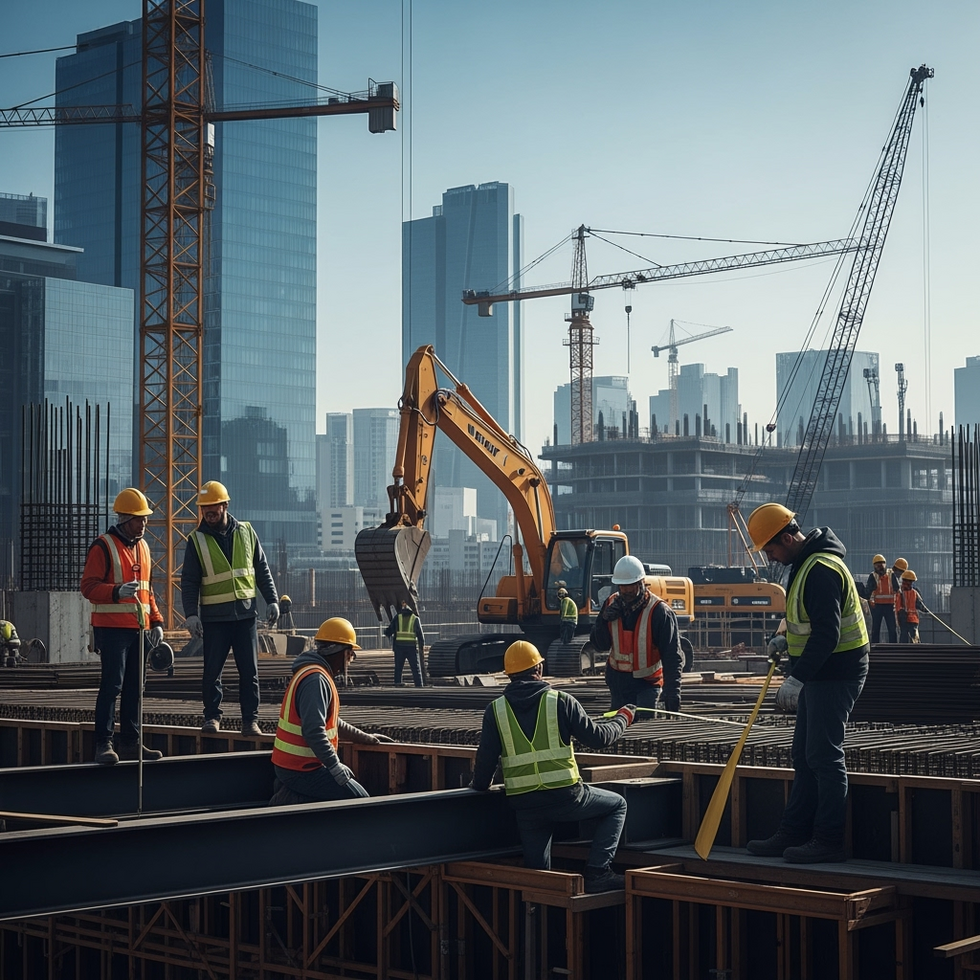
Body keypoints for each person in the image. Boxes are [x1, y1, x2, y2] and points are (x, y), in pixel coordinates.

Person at [744, 503, 869, 864]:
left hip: (836, 672)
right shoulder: (804, 565)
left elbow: (828, 635)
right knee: (804, 755)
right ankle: (794, 831)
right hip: (821, 671)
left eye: (770, 548)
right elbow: (808, 621)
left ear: (787, 537)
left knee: (824, 757)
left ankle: (828, 840)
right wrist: (784, 639)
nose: (770, 556)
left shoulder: (820, 569)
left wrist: (797, 678)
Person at [471, 640, 635, 892]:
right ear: (539, 669)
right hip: (567, 799)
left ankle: (537, 915)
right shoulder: (560, 701)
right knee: (617, 805)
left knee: (539, 881)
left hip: (526, 806)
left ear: (509, 675)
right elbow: (599, 738)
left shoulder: (495, 710)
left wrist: (478, 787)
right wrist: (623, 718)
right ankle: (597, 873)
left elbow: (484, 769)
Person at [180, 480, 280, 736]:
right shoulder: (196, 540)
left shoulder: (247, 532)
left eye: (213, 507)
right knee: (211, 672)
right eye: (205, 509)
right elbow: (189, 582)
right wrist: (191, 615)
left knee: (250, 673)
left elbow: (262, 570)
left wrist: (273, 600)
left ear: (225, 505)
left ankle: (250, 721)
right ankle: (212, 717)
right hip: (215, 619)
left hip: (245, 616)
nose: (209, 513)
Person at [80, 488, 166, 766]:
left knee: (134, 687)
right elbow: (88, 587)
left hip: (138, 629)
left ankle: (130, 743)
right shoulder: (103, 546)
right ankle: (103, 744)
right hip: (112, 630)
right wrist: (117, 592)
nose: (144, 524)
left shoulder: (143, 547)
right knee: (112, 685)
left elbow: (147, 591)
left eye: (145, 519)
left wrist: (156, 620)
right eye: (139, 519)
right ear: (125, 518)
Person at [270, 617, 391, 803]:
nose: (350, 661)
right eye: (351, 654)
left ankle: (290, 795)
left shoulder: (314, 674)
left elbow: (333, 722)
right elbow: (313, 731)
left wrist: (365, 737)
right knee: (360, 800)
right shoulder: (316, 680)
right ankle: (288, 797)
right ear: (341, 652)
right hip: (301, 769)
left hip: (294, 766)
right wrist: (335, 767)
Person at [590, 554, 683, 714]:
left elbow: (672, 655)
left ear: (641, 583)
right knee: (617, 731)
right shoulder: (611, 605)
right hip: (618, 686)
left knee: (644, 729)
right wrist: (603, 621)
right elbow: (600, 645)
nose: (626, 590)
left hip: (647, 685)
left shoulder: (659, 612)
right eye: (622, 586)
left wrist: (672, 691)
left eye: (630, 586)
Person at [384, 599, 425, 687]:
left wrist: (386, 632)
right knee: (416, 670)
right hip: (412, 648)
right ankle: (419, 687)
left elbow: (389, 631)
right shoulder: (415, 619)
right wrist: (421, 647)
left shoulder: (397, 617)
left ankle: (397, 687)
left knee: (398, 669)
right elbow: (421, 636)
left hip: (399, 648)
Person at [865, 555, 897, 643]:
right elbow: (868, 591)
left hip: (889, 606)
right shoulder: (873, 576)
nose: (880, 566)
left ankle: (893, 647)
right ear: (874, 566)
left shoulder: (891, 574)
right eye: (877, 565)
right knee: (875, 628)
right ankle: (875, 646)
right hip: (877, 606)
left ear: (885, 564)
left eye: (881, 564)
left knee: (892, 629)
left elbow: (897, 589)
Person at [895, 570, 925, 643]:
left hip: (913, 619)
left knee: (914, 637)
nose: (911, 583)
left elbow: (919, 604)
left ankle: (916, 651)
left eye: (912, 581)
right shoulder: (900, 593)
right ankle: (903, 651)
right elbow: (897, 606)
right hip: (904, 619)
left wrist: (925, 609)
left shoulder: (914, 592)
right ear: (905, 581)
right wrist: (899, 616)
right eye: (910, 581)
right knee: (904, 637)